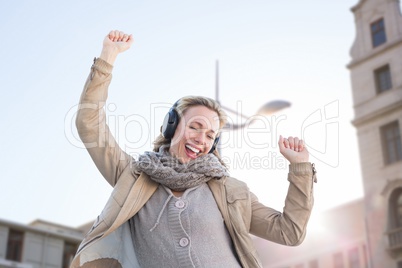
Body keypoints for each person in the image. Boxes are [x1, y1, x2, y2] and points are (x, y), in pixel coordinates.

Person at [70, 30, 317, 268]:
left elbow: (289, 233)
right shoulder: (132, 176)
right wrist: (108, 57)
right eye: (196, 127)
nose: (202, 138)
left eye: (211, 135)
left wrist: (300, 169)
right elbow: (89, 125)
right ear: (172, 126)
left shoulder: (231, 191)